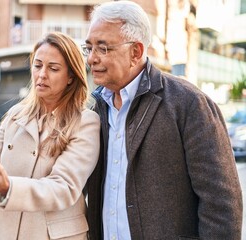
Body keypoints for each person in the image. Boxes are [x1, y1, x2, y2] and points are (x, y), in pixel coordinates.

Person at [83, 1, 243, 239]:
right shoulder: (94, 110)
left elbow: (221, 204)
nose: (91, 59)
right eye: (89, 48)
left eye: (103, 48)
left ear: (135, 52)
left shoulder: (188, 103)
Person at [0, 32, 100, 239]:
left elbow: (64, 188)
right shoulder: (15, 114)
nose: (42, 74)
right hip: (4, 231)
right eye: (37, 66)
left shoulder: (86, 122)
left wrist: (7, 187)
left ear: (71, 77)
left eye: (53, 68)